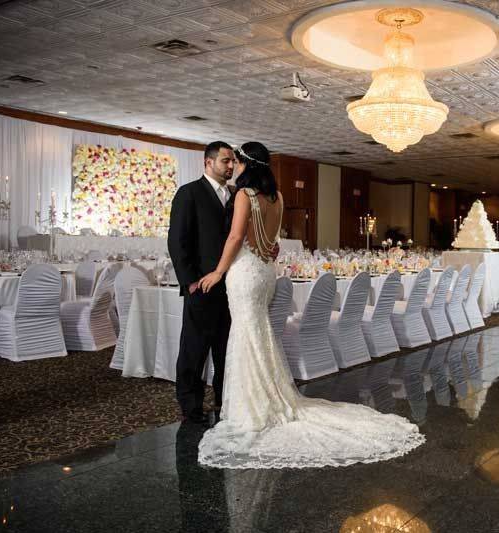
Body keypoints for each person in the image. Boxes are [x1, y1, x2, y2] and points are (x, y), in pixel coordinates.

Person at [195, 141, 425, 469]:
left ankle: (252, 405)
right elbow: (271, 243)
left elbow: (234, 238)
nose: (234, 167)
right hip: (265, 272)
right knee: (258, 332)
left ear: (247, 164)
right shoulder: (278, 197)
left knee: (247, 334)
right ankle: (267, 396)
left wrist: (218, 271)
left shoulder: (244, 196)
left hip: (244, 271)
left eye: (237, 162)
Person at [167, 141, 235, 423]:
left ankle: (223, 400)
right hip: (201, 287)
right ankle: (191, 406)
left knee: (225, 350)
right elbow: (177, 242)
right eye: (225, 161)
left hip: (231, 288)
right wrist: (190, 282)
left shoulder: (235, 195)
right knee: (194, 351)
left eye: (232, 161)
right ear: (208, 163)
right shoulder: (189, 193)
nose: (231, 166)